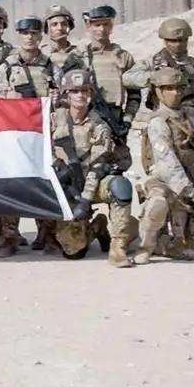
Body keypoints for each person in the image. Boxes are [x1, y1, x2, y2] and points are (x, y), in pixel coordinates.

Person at [0, 17, 60, 254]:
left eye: (34, 33)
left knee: (46, 181)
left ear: (41, 36)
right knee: (13, 183)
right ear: (18, 36)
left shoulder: (50, 66)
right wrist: (12, 97)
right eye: (25, 33)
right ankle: (10, 237)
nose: (30, 37)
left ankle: (47, 234)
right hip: (16, 135)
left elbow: (62, 96)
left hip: (44, 135)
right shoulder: (8, 67)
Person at [51, 70, 133, 265]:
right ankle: (97, 227)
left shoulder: (100, 125)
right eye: (75, 91)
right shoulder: (53, 120)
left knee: (120, 187)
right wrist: (57, 166)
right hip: (66, 186)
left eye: (85, 91)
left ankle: (118, 246)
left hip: (93, 183)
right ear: (66, 94)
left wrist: (85, 200)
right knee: (73, 250)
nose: (80, 95)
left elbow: (98, 165)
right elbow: (40, 149)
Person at [134, 67, 194, 265]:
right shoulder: (158, 122)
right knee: (157, 204)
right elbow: (168, 164)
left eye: (179, 88)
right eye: (169, 88)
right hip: (165, 183)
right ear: (158, 91)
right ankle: (145, 246)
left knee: (189, 251)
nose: (175, 93)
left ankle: (173, 242)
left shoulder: (191, 116)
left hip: (190, 182)